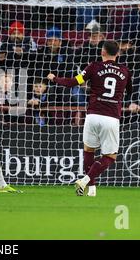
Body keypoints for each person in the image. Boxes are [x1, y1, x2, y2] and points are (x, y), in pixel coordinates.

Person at [47, 41, 132, 197]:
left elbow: (74, 82)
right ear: (118, 54)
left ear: (102, 52)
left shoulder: (94, 66)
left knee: (88, 151)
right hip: (111, 117)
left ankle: (89, 186)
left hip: (93, 115)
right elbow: (130, 91)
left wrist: (54, 79)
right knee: (110, 156)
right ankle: (88, 184)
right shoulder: (125, 71)